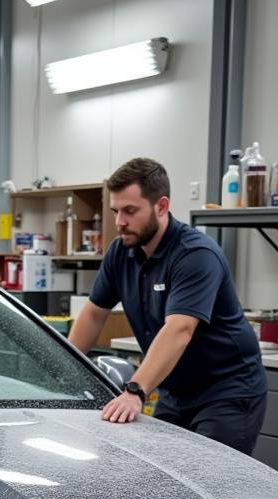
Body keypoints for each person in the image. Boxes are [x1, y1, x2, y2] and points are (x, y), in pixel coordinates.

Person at [69, 157, 267, 454]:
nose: (120, 221)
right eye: (115, 211)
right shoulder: (120, 252)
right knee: (160, 478)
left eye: (130, 211)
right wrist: (61, 372)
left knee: (208, 484)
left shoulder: (195, 254)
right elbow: (94, 315)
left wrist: (134, 390)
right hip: (174, 393)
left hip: (227, 393)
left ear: (161, 206)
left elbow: (180, 329)